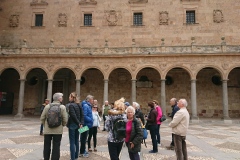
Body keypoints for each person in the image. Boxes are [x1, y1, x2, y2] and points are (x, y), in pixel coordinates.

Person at [40, 92, 68, 160]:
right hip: (58, 131)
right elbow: (65, 119)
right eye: (62, 97)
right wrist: (62, 125)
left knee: (46, 145)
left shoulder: (47, 106)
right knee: (56, 146)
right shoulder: (62, 107)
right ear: (59, 99)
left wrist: (45, 125)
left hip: (48, 130)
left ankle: (46, 158)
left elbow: (42, 118)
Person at [66, 92, 84, 160]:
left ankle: (72, 158)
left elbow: (73, 116)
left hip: (73, 125)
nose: (69, 98)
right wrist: (81, 123)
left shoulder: (71, 105)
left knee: (72, 142)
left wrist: (79, 123)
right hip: (78, 125)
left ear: (72, 97)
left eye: (69, 96)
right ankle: (76, 156)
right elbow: (82, 115)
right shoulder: (79, 105)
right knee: (77, 140)